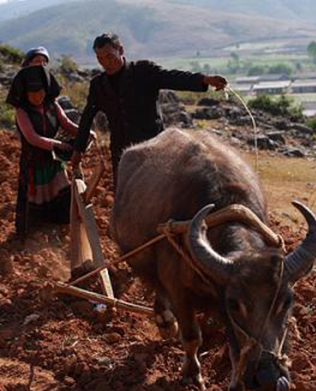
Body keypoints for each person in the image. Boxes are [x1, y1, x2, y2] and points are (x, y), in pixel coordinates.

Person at [72, 32, 228, 188]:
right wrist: (78, 150)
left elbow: (173, 78)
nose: (106, 63)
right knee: (126, 199)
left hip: (154, 150)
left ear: (121, 50)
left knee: (159, 195)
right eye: (100, 59)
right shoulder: (98, 86)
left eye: (110, 56)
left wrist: (204, 80)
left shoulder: (143, 71)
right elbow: (86, 118)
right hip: (122, 155)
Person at [5, 65, 82, 238]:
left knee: (60, 189)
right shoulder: (22, 112)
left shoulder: (53, 106)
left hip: (54, 161)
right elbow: (32, 138)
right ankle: (34, 235)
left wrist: (84, 133)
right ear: (24, 93)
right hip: (34, 163)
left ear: (46, 89)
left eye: (40, 91)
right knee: (37, 196)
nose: (37, 96)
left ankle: (60, 227)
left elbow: (67, 124)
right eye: (32, 93)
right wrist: (57, 144)